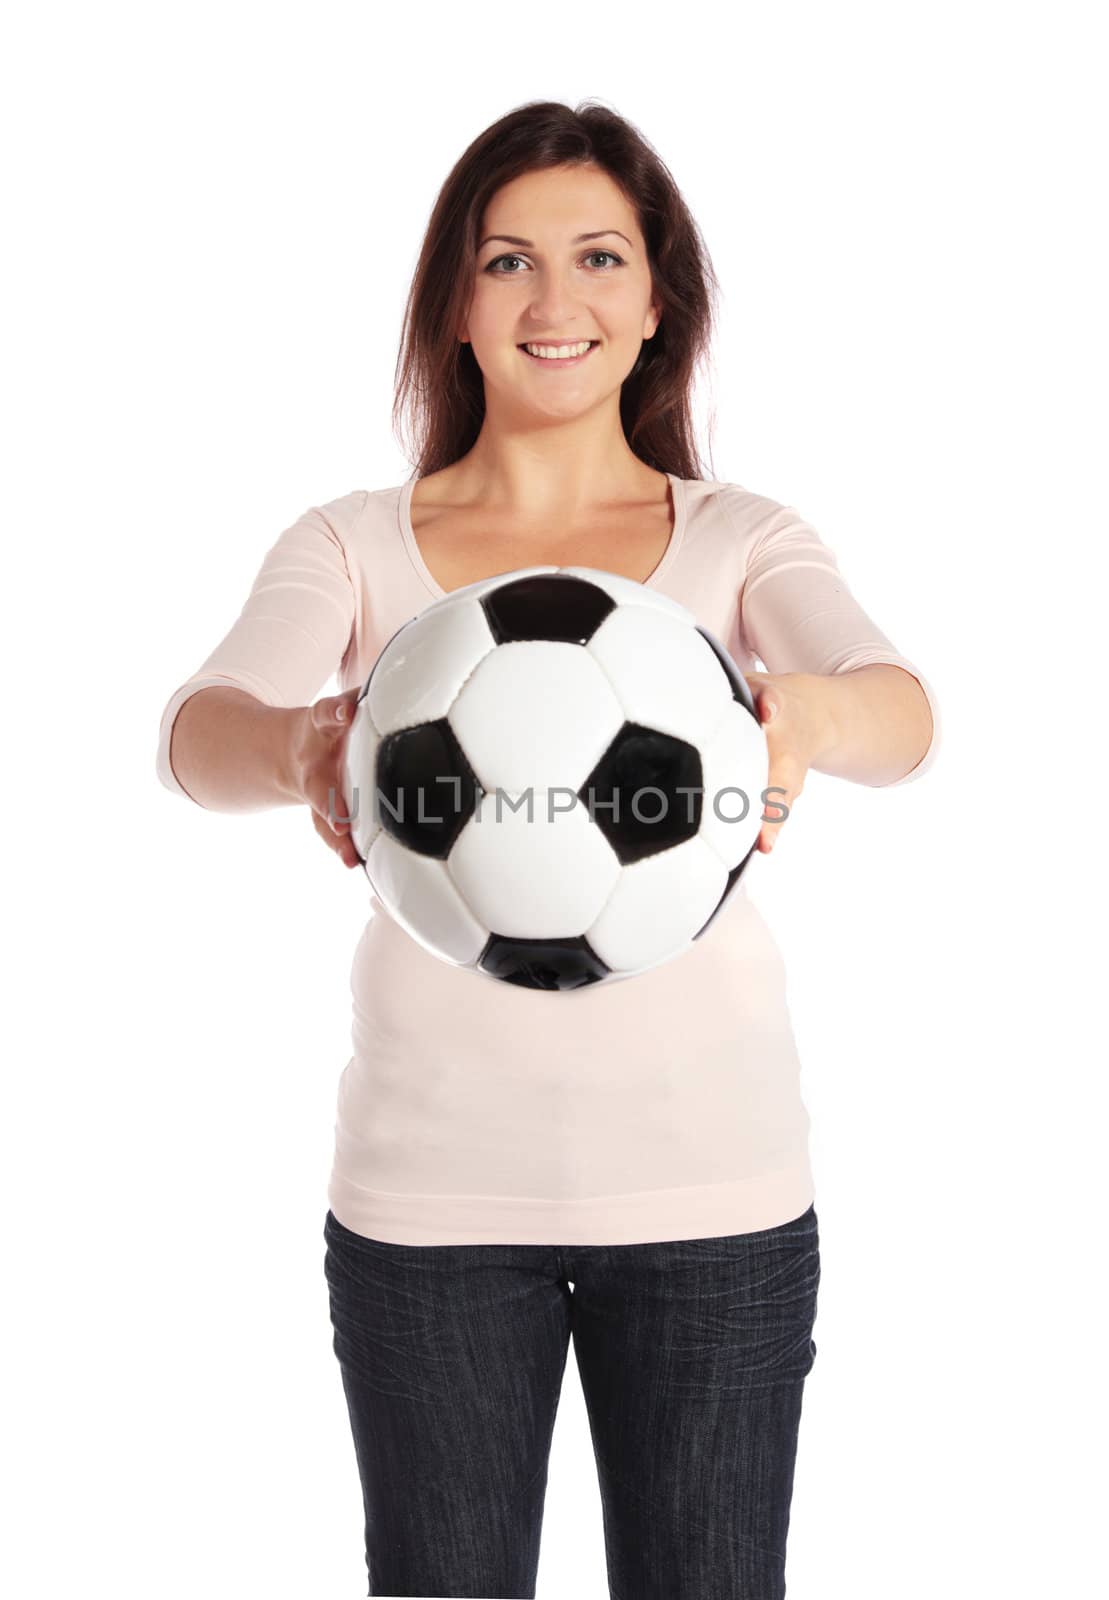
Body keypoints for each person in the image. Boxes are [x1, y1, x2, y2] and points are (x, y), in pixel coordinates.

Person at [155, 100, 939, 1600]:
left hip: (713, 1197)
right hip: (428, 1206)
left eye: (596, 258)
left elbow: (905, 718)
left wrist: (804, 722)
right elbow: (200, 732)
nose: (552, 301)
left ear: (658, 304)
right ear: (455, 304)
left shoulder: (738, 538)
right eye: (506, 261)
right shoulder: (353, 543)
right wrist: (300, 747)